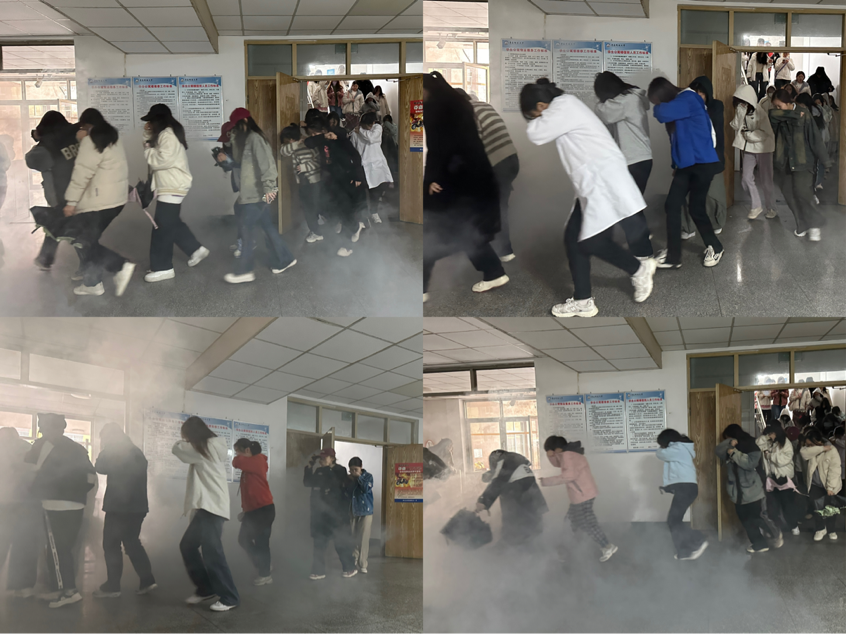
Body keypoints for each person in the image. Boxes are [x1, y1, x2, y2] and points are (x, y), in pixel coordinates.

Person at [521, 78, 657, 318]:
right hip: (594, 181)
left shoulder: (564, 106)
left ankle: (638, 268)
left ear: (541, 106)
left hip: (601, 181)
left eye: (534, 115)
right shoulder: (564, 106)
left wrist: (538, 118)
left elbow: (536, 134)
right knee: (574, 238)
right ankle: (583, 300)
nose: (535, 120)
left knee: (590, 242)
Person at [423, 71, 507, 300]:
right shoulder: (459, 105)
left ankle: (419, 288)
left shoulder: (436, 110)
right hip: (474, 177)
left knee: (438, 230)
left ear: (428, 90)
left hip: (457, 179)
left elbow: (439, 149)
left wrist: (432, 178)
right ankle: (494, 271)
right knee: (465, 229)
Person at [649, 77, 724, 269]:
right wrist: (676, 166)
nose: (656, 105)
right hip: (687, 165)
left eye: (656, 100)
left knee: (696, 208)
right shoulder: (681, 104)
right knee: (672, 205)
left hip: (702, 164)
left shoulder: (688, 98)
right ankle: (674, 256)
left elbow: (662, 113)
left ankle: (716, 247)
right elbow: (679, 141)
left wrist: (656, 106)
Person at [24, 413, 97, 608]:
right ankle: (60, 589)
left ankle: (69, 592)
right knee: (64, 549)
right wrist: (76, 492)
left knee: (57, 550)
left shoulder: (43, 445)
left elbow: (29, 470)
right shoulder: (79, 448)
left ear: (52, 428)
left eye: (44, 427)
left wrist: (40, 491)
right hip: (76, 505)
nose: (42, 431)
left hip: (53, 504)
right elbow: (91, 478)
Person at [63, 108, 135, 297]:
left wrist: (71, 202)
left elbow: (82, 172)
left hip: (99, 201)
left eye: (82, 127)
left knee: (84, 241)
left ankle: (118, 266)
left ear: (86, 125)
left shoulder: (90, 141)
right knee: (87, 240)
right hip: (116, 200)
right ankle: (92, 282)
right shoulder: (113, 138)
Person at [172, 416, 240, 612]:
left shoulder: (204, 448)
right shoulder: (208, 446)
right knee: (188, 545)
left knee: (213, 552)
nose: (185, 439)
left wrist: (185, 441)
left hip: (212, 507)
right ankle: (205, 588)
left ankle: (230, 597)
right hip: (208, 507)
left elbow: (177, 449)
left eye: (186, 436)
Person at [223, 108, 296, 284]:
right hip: (249, 193)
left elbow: (267, 165)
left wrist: (270, 187)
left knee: (247, 227)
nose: (235, 131)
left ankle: (245, 270)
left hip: (259, 193)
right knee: (267, 227)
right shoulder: (243, 141)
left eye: (236, 127)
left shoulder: (256, 139)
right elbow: (239, 162)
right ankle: (285, 258)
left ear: (245, 122)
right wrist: (226, 154)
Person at [141, 104, 208, 283]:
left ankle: (163, 268)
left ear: (158, 120)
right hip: (171, 185)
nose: (148, 124)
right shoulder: (167, 134)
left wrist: (147, 148)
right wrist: (148, 135)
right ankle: (196, 249)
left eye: (150, 121)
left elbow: (161, 160)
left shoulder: (167, 135)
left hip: (172, 186)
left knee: (161, 228)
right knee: (170, 223)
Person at [92, 423, 156, 598]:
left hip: (119, 507)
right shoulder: (136, 452)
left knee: (111, 544)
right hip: (137, 507)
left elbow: (100, 467)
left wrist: (105, 449)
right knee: (132, 543)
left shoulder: (116, 452)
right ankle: (147, 580)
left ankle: (113, 586)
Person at [458, 88, 520, 262]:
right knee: (499, 206)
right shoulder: (483, 105)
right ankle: (500, 248)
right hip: (511, 160)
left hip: (497, 165)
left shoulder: (466, 112)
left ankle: (502, 251)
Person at [539, 435, 617, 562]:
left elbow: (569, 476)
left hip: (582, 495)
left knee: (586, 523)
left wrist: (546, 481)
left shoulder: (567, 456)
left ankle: (606, 546)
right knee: (570, 522)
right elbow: (558, 464)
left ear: (556, 449)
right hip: (582, 494)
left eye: (549, 450)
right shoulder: (570, 454)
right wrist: (551, 456)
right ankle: (568, 550)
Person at [769, 89, 830, 242]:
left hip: (803, 161)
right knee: (789, 195)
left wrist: (826, 161)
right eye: (775, 106)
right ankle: (802, 224)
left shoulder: (805, 115)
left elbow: (816, 139)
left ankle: (814, 224)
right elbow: (772, 114)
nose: (777, 109)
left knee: (803, 193)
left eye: (779, 106)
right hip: (784, 163)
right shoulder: (783, 115)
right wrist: (797, 114)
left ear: (789, 103)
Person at [25, 112, 82, 274]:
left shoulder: (49, 145)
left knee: (76, 231)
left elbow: (32, 160)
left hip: (60, 193)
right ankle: (45, 259)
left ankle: (90, 267)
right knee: (58, 223)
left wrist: (40, 139)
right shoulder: (76, 136)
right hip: (82, 188)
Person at [303, 116, 367, 254]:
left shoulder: (340, 139)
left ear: (324, 129)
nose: (313, 136)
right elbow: (308, 142)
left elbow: (355, 156)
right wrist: (323, 136)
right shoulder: (321, 140)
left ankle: (347, 245)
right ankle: (354, 226)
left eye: (315, 133)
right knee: (333, 208)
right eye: (312, 134)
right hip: (330, 181)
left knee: (345, 209)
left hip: (345, 178)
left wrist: (357, 176)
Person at [715, 424, 782, 553]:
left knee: (756, 518)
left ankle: (775, 532)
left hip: (752, 490)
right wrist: (730, 443)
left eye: (728, 437)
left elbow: (750, 463)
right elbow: (718, 451)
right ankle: (759, 544)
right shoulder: (730, 447)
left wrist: (734, 452)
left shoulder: (751, 445)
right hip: (737, 492)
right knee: (745, 520)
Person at [680, 77, 727, 241]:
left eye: (701, 93)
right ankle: (688, 226)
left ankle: (715, 223)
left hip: (712, 157)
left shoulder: (716, 106)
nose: (698, 96)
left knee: (713, 194)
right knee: (686, 193)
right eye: (695, 92)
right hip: (690, 158)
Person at [475, 450, 548, 548]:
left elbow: (498, 482)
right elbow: (498, 476)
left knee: (514, 539)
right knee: (532, 539)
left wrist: (483, 501)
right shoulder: (518, 465)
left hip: (519, 514)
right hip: (534, 511)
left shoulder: (505, 461)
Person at [303, 448, 357, 579]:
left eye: (324, 457)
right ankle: (318, 571)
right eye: (320, 457)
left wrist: (326, 468)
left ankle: (349, 568)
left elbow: (334, 482)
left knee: (340, 543)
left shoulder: (340, 470)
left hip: (337, 515)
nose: (321, 460)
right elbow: (307, 482)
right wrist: (309, 466)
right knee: (319, 544)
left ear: (332, 458)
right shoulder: (319, 470)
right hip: (320, 515)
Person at [655, 429, 708, 560]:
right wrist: (670, 487)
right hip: (686, 488)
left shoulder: (678, 448)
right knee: (675, 521)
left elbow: (660, 454)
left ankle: (698, 539)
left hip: (685, 489)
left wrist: (661, 449)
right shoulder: (681, 448)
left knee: (673, 521)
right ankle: (685, 550)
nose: (661, 447)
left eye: (662, 444)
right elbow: (677, 472)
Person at [0, 427, 39, 598]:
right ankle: (22, 586)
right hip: (25, 503)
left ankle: (21, 586)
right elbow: (35, 473)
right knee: (24, 545)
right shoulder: (26, 448)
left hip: (5, 504)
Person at [731, 84, 777, 221]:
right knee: (745, 179)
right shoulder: (741, 110)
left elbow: (766, 133)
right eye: (739, 101)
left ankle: (771, 208)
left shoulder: (760, 112)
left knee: (766, 180)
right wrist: (739, 114)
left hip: (764, 148)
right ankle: (756, 205)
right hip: (749, 148)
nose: (741, 104)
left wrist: (749, 135)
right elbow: (735, 126)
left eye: (743, 101)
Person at [232, 438, 275, 586]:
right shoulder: (250, 465)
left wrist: (240, 456)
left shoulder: (258, 461)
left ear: (247, 450)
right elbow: (248, 491)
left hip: (264, 510)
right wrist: (245, 510)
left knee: (261, 542)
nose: (237, 454)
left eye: (238, 451)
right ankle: (264, 565)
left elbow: (236, 462)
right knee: (243, 539)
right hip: (253, 511)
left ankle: (265, 574)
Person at [279, 123, 324, 243]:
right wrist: (296, 143)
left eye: (287, 140)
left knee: (313, 207)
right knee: (308, 207)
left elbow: (319, 161)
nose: (287, 143)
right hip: (303, 182)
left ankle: (318, 231)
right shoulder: (294, 146)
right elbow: (283, 151)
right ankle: (316, 230)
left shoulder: (309, 144)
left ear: (291, 138)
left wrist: (304, 167)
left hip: (314, 180)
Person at [756, 424, 801, 537]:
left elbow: (783, 460)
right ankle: (777, 528)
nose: (769, 436)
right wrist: (767, 437)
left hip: (784, 478)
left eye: (771, 433)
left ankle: (793, 526)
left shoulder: (786, 443)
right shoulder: (769, 442)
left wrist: (769, 456)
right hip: (771, 478)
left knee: (787, 504)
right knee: (772, 505)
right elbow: (757, 443)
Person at [351, 111, 394, 224]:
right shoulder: (354, 133)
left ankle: (374, 212)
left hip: (378, 165)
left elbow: (371, 138)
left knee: (377, 190)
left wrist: (360, 131)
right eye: (367, 125)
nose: (369, 127)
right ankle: (364, 215)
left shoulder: (377, 128)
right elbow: (353, 149)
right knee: (363, 192)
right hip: (363, 166)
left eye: (371, 124)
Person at [800, 428, 843, 541]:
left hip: (830, 485)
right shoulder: (813, 450)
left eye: (810, 444)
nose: (808, 447)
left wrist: (830, 487)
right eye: (807, 445)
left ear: (817, 442)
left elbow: (835, 470)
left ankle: (831, 530)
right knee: (817, 508)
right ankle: (820, 528)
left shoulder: (832, 450)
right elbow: (803, 453)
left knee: (830, 508)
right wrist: (822, 448)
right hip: (815, 484)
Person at [347, 457, 374, 573]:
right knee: (353, 536)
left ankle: (363, 564)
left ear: (361, 467)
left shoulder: (368, 476)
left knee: (363, 538)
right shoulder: (349, 478)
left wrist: (359, 477)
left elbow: (366, 488)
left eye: (356, 469)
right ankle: (354, 560)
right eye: (351, 470)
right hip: (352, 510)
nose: (353, 472)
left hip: (365, 511)